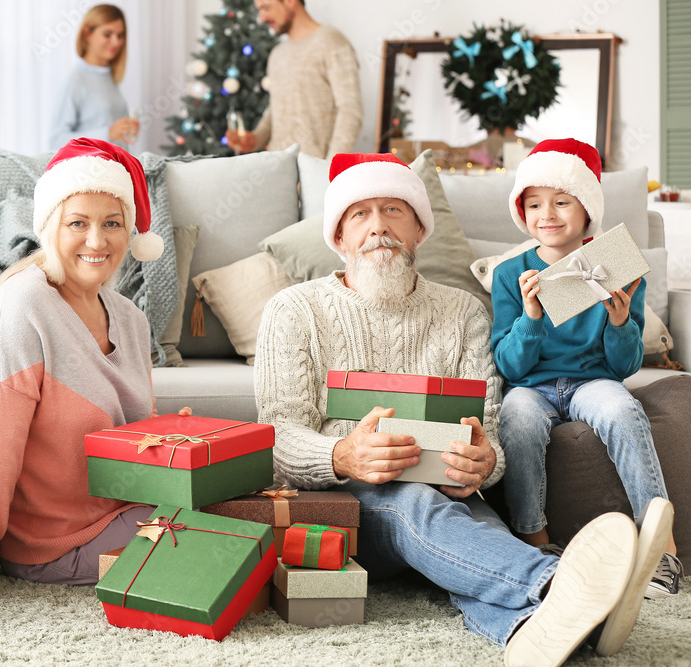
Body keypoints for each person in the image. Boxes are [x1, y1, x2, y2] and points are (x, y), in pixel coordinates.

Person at [253, 151, 672, 665]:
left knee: (483, 538)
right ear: (338, 238)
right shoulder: (292, 311)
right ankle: (561, 580)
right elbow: (274, 437)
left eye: (394, 211)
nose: (379, 227)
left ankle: (532, 632)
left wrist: (484, 464)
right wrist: (342, 455)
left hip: (449, 498)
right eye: (360, 214)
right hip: (347, 504)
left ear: (419, 231)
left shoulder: (463, 311)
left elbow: (492, 433)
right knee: (413, 505)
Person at [0, 138, 163, 599]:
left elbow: (134, 444)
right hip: (54, 544)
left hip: (132, 512)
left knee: (244, 505)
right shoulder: (22, 306)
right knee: (229, 536)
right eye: (78, 223)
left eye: (112, 224)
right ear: (51, 227)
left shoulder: (130, 319)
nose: (97, 241)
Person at [491, 138, 682, 598]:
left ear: (586, 210)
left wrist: (619, 322)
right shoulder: (508, 273)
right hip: (531, 387)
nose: (547, 214)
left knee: (622, 410)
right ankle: (533, 538)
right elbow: (508, 364)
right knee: (515, 417)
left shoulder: (611, 264)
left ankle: (660, 545)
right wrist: (531, 318)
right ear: (522, 212)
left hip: (592, 382)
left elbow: (623, 368)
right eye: (534, 204)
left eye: (561, 202)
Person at [225, 0, 362, 159]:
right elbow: (275, 109)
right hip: (280, 170)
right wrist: (254, 139)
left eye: (266, 8)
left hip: (315, 174)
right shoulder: (277, 53)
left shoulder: (331, 41)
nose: (261, 18)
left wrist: (330, 169)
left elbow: (350, 109)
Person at [49, 4, 139, 151]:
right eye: (107, 34)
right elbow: (56, 141)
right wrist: (108, 133)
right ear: (87, 34)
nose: (116, 42)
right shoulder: (76, 81)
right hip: (93, 171)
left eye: (120, 35)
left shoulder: (108, 79)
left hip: (115, 169)